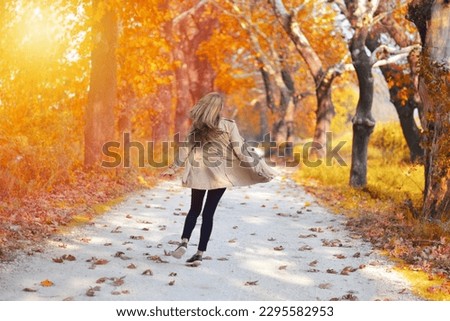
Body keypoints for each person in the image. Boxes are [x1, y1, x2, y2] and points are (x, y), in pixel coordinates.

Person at [161, 92, 275, 266]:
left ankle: (184, 241)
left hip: (199, 173)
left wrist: (173, 168)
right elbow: (240, 150)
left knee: (194, 209)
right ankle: (199, 254)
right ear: (218, 108)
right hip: (220, 176)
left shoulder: (196, 128)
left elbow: (185, 150)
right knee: (208, 213)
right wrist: (259, 168)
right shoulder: (228, 126)